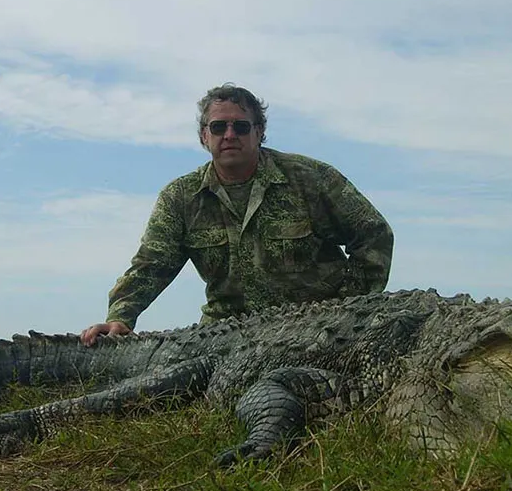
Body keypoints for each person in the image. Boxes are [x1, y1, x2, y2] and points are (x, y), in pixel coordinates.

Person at [80, 83, 394, 346]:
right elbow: (150, 267)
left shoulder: (311, 179)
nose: (229, 134)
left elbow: (373, 234)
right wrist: (120, 318)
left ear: (259, 132)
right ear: (204, 136)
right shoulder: (180, 199)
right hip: (225, 339)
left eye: (240, 126)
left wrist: (348, 308)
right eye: (218, 127)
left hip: (315, 334)